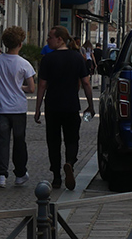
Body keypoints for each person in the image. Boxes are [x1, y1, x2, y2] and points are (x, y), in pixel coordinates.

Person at [35, 26, 95, 190]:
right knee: (72, 139)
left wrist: (38, 108)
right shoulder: (77, 58)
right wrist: (90, 104)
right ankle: (69, 162)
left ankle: (56, 177)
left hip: (53, 106)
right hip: (71, 105)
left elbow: (41, 85)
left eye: (50, 37)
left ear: (60, 39)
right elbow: (86, 83)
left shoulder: (47, 59)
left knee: (53, 142)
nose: (48, 40)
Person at [0, 26, 37, 188]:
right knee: (19, 141)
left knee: (1, 141)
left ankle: (1, 175)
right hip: (18, 108)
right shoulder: (24, 64)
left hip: (0, 108)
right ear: (20, 43)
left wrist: (0, 85)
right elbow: (31, 88)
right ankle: (20, 173)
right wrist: (18, 87)